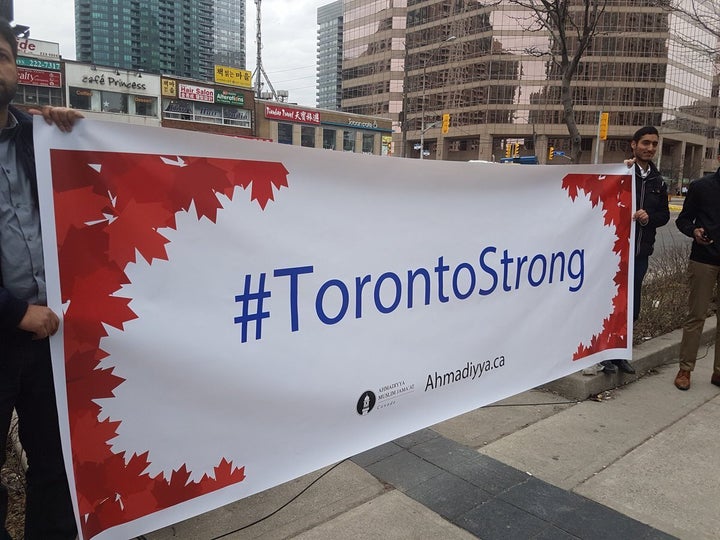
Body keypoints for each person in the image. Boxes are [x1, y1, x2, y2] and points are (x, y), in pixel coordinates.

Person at [0, 19, 83, 540]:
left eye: (2, 56)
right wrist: (12, 311)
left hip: (50, 334)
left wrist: (68, 127)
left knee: (55, 465)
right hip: (9, 327)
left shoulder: (37, 136)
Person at [599, 126, 670, 375]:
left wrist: (648, 217)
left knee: (632, 307)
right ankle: (604, 355)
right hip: (615, 254)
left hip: (640, 254)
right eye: (645, 143)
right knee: (609, 303)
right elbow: (601, 205)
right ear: (634, 144)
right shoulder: (622, 173)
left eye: (654, 144)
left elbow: (664, 215)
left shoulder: (658, 181)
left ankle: (620, 354)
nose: (650, 148)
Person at [673, 156, 720, 391]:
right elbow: (682, 220)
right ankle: (685, 369)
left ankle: (718, 372)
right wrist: (694, 231)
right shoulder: (702, 187)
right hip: (704, 259)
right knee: (696, 316)